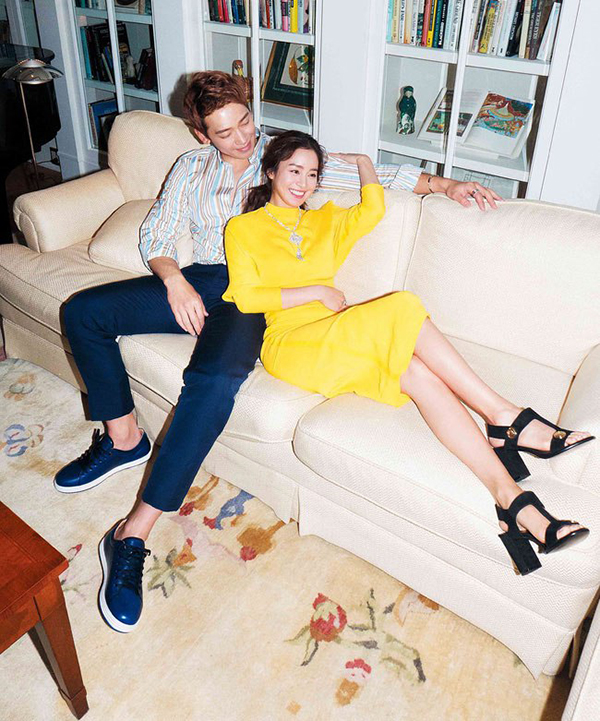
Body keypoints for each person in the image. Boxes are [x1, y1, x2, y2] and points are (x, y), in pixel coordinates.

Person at [55, 71, 511, 634]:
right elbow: (157, 234)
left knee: (215, 380)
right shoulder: (189, 168)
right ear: (201, 134)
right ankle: (124, 438)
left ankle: (132, 533)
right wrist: (173, 281)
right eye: (225, 132)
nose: (242, 137)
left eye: (245, 120)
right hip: (199, 278)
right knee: (84, 312)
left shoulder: (280, 158)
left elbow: (374, 174)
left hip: (253, 298)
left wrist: (445, 185)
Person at [223, 130, 594, 577]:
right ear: (271, 171)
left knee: (418, 374)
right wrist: (316, 290)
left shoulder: (324, 219)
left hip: (336, 335)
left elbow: (373, 208)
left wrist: (364, 162)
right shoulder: (243, 228)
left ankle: (514, 502)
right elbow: (245, 296)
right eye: (294, 171)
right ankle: (505, 416)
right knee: (401, 304)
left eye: (313, 174)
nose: (303, 183)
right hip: (291, 344)